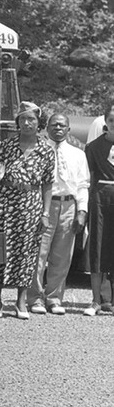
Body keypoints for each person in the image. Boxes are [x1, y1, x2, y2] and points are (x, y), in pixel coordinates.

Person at [0, 101, 54, 319]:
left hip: (30, 205)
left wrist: (46, 213)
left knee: (26, 252)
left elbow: (48, 183)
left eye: (31, 119)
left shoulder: (45, 150)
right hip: (4, 203)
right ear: (17, 122)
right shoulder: (5, 146)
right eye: (23, 119)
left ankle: (21, 301)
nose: (27, 123)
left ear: (38, 122)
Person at [29, 114, 88, 314]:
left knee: (62, 257)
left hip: (68, 206)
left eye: (62, 125)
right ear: (46, 128)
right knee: (38, 254)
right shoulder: (38, 151)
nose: (58, 128)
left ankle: (53, 298)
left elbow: (83, 185)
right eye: (54, 125)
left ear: (68, 129)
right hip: (43, 206)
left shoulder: (78, 154)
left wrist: (82, 210)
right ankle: (35, 298)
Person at [84, 104, 114, 316]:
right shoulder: (93, 147)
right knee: (98, 246)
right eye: (112, 119)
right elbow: (89, 177)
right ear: (106, 122)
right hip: (100, 197)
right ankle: (95, 300)